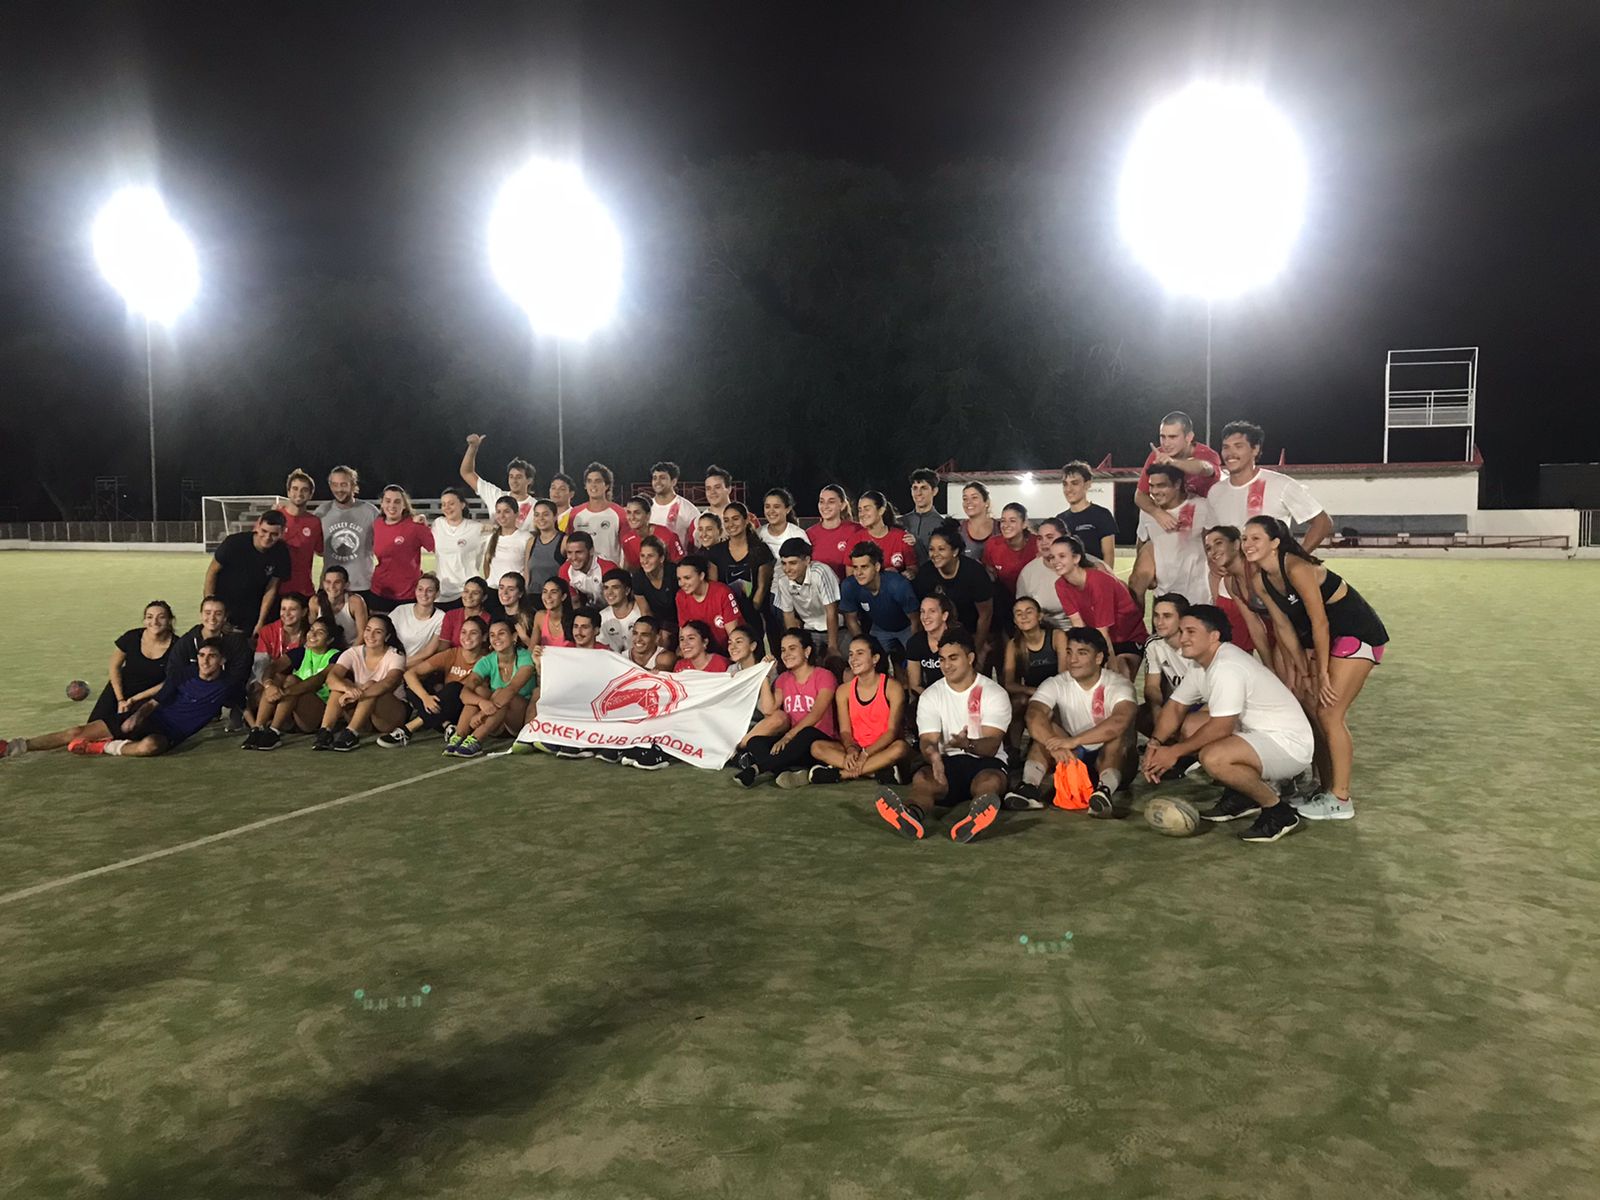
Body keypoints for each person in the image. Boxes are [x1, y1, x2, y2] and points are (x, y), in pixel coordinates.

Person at [1243, 515, 1389, 820]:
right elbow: (1283, 628)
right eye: (1245, 538)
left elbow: (1320, 622)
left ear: (1275, 543)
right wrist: (1304, 672)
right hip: (1329, 640)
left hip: (1357, 633)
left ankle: (1341, 799)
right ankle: (1326, 788)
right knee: (1312, 707)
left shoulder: (1297, 568)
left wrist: (1320, 674)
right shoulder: (1260, 580)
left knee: (1330, 713)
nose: (1247, 544)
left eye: (1256, 538)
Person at [1142, 605, 1315, 844]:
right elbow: (1175, 707)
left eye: (1191, 632)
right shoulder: (1201, 664)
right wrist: (1154, 743)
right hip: (1260, 735)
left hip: (1288, 745)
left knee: (1214, 757)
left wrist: (1174, 752)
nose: (1182, 638)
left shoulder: (1227, 667)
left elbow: (1221, 728)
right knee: (1191, 726)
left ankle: (1278, 812)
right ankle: (1243, 796)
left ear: (1214, 636)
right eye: (1181, 631)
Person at [874, 628, 1010, 843]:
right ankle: (910, 814)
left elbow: (992, 745)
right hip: (947, 761)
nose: (946, 665)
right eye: (942, 659)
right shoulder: (931, 695)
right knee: (923, 778)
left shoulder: (994, 693)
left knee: (989, 781)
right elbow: (928, 740)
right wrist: (934, 757)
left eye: (953, 658)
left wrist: (967, 744)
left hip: (985, 761)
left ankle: (975, 817)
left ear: (970, 658)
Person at [7, 639, 235, 759]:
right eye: (201, 655)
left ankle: (104, 747)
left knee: (150, 746)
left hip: (169, 733)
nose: (205, 661)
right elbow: (154, 703)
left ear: (222, 660)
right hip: (149, 718)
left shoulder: (226, 686)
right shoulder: (184, 674)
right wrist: (135, 717)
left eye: (211, 656)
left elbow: (243, 705)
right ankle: (13, 747)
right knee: (77, 731)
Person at [1013, 628, 1137, 815]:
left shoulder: (1119, 685)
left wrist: (1074, 741)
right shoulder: (1056, 683)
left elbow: (1120, 721)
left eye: (1082, 653)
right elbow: (1034, 714)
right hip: (1072, 755)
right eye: (1069, 652)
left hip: (1115, 761)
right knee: (1045, 729)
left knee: (1119, 736)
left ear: (1098, 658)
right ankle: (1029, 787)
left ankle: (1104, 791)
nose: (1072, 660)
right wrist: (1053, 744)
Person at [1127, 411, 1222, 599]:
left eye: (1172, 437)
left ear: (1189, 437)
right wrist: (1157, 513)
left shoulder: (1206, 454)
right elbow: (1140, 496)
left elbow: (1204, 468)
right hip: (1174, 525)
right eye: (1162, 436)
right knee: (1148, 582)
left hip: (1203, 526)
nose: (1166, 443)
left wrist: (1173, 462)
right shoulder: (1157, 456)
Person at [732, 629, 839, 788]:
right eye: (783, 650)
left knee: (807, 732)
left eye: (792, 648)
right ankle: (783, 772)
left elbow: (816, 714)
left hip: (818, 742)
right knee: (755, 741)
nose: (786, 654)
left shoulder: (824, 676)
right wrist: (765, 676)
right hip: (793, 745)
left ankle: (756, 769)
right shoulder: (783, 679)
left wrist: (788, 736)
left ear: (807, 651)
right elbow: (768, 710)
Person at [1208, 421, 1335, 552]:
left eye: (1238, 446)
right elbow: (1209, 532)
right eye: (1226, 447)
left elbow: (1323, 522)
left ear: (1255, 449)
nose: (1230, 453)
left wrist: (1297, 558)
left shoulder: (1280, 484)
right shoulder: (1216, 491)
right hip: (1233, 565)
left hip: (1272, 565)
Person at [809, 635, 912, 784]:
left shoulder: (892, 687)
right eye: (851, 654)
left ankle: (841, 774)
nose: (853, 659)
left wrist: (866, 753)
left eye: (860, 653)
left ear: (875, 658)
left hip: (883, 748)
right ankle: (875, 772)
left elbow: (892, 732)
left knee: (900, 748)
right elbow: (845, 731)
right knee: (817, 747)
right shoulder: (843, 691)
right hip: (857, 748)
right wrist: (851, 749)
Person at [379, 614, 489, 749]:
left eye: (473, 633)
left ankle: (408, 729)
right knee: (414, 685)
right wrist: (426, 698)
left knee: (456, 688)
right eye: (464, 632)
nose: (467, 637)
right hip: (440, 706)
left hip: (463, 710)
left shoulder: (488, 660)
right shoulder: (452, 653)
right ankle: (446, 725)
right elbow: (410, 674)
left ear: (484, 637)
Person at [1045, 536, 1148, 678]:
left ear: (1076, 558)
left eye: (1062, 556)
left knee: (1119, 674)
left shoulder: (1098, 582)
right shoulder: (1061, 585)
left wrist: (1111, 666)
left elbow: (1103, 630)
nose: (1056, 561)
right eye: (1052, 557)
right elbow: (1078, 624)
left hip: (1129, 637)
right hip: (1101, 636)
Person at [243, 616, 342, 748]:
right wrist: (269, 685)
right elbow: (273, 667)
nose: (313, 634)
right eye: (311, 630)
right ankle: (257, 729)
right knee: (277, 678)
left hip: (316, 713)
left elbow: (318, 680)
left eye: (320, 632)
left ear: (329, 640)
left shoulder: (336, 656)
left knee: (291, 680)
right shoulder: (301, 652)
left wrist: (285, 691)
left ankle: (274, 731)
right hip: (292, 710)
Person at [315, 614, 408, 751]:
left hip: (389, 714)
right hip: (362, 713)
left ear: (387, 636)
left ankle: (351, 734)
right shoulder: (352, 652)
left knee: (372, 685)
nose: (371, 635)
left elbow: (389, 683)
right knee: (341, 685)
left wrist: (359, 694)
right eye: (368, 630)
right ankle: (325, 732)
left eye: (378, 632)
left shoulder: (396, 655)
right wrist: (347, 689)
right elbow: (331, 678)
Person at [448, 618, 537, 757]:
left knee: (503, 693)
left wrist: (482, 714)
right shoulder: (486, 661)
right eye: (492, 635)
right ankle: (459, 736)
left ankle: (476, 739)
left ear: (514, 636)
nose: (496, 638)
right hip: (495, 722)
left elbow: (512, 689)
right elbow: (464, 692)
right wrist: (481, 702)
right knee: (479, 691)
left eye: (501, 633)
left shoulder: (525, 657)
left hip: (517, 720)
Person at [1131, 464, 1215, 608]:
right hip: (1163, 596)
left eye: (1161, 486)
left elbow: (1214, 545)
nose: (1154, 491)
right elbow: (1142, 542)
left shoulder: (1201, 507)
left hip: (1197, 597)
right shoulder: (1147, 511)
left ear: (1177, 484)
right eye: (1151, 486)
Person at [86, 600, 176, 730]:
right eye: (149, 617)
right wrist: (120, 699)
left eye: (161, 617)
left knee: (129, 729)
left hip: (150, 695)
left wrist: (134, 699)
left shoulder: (178, 646)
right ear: (144, 621)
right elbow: (114, 667)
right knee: (92, 728)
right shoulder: (132, 637)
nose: (154, 622)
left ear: (170, 620)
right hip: (120, 688)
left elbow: (169, 682)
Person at [912, 526, 994, 668]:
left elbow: (985, 615)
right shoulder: (925, 573)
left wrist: (977, 649)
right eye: (931, 549)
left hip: (973, 631)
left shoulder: (974, 573)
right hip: (941, 634)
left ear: (955, 551)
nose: (935, 554)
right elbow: (922, 611)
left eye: (941, 549)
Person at [205, 509, 290, 637]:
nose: (267, 537)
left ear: (282, 532)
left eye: (274, 534)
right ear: (258, 525)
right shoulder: (233, 543)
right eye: (264, 531)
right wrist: (215, 612)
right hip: (226, 609)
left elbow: (271, 588)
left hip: (253, 612)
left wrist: (261, 622)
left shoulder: (281, 551)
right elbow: (212, 573)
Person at [169, 596, 253, 724]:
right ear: (200, 615)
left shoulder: (236, 641)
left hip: (227, 688)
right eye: (207, 613)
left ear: (225, 617)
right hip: (195, 690)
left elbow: (241, 672)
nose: (212, 618)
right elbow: (173, 671)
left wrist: (217, 689)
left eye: (218, 614)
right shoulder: (187, 641)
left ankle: (241, 715)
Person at [1002, 596, 1068, 734]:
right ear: (1015, 621)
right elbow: (1009, 684)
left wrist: (1047, 694)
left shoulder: (1057, 636)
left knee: (1057, 708)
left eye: (1029, 612)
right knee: (1017, 703)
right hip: (1032, 693)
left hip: (1057, 692)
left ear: (1039, 616)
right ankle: (1014, 746)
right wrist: (1034, 691)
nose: (1024, 616)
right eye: (1019, 613)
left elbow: (1064, 676)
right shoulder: (1013, 645)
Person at [707, 502, 774, 637]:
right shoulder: (716, 552)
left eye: (735, 519)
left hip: (755, 615)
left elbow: (762, 589)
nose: (731, 524)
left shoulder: (761, 550)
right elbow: (714, 588)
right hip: (725, 615)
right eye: (726, 520)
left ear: (746, 520)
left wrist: (747, 616)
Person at [840, 542, 919, 657]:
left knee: (915, 657)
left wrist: (915, 649)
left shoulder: (897, 585)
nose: (858, 573)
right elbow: (851, 619)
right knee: (870, 659)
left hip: (906, 628)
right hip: (880, 627)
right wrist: (863, 647)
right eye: (855, 567)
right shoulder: (849, 586)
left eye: (864, 567)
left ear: (877, 567)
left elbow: (915, 620)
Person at [367, 485, 436, 615]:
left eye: (397, 502)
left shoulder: (415, 526)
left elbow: (438, 548)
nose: (392, 505)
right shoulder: (377, 524)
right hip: (380, 592)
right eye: (388, 501)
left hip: (407, 595)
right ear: (382, 504)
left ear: (404, 505)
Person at [1203, 526, 1270, 658]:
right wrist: (1268, 664)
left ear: (1236, 544)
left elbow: (1282, 621)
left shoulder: (1259, 572)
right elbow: (1253, 623)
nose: (1213, 551)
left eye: (1218, 543)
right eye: (1208, 548)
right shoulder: (1230, 581)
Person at [773, 538, 842, 661]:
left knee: (837, 663)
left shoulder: (820, 572)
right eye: (784, 563)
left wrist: (832, 646)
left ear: (807, 560)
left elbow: (832, 612)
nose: (787, 569)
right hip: (809, 631)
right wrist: (794, 645)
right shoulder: (783, 579)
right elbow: (788, 615)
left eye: (793, 563)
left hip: (838, 630)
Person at [317, 465, 379, 598]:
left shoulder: (370, 512)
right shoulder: (322, 512)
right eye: (335, 485)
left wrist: (414, 518)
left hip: (362, 586)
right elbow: (317, 548)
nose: (339, 489)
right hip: (330, 586)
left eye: (344, 484)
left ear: (353, 485)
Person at [1140, 593, 1195, 732]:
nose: (1159, 622)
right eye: (1156, 616)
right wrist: (1156, 709)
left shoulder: (1197, 644)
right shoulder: (1153, 644)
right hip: (1177, 704)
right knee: (1137, 715)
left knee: (1185, 727)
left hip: (1204, 704)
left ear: (1182, 620)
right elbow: (1152, 686)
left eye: (1167, 616)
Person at [460, 434, 538, 528]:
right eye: (511, 477)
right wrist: (473, 447)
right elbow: (467, 473)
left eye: (519, 477)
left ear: (529, 480)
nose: (514, 480)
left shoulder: (536, 507)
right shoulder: (496, 495)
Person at [431, 486, 487, 608]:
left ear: (462, 505)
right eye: (443, 504)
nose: (447, 507)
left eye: (451, 504)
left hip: (466, 594)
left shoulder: (476, 528)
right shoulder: (438, 524)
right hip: (442, 594)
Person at [674, 555, 742, 654]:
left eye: (687, 578)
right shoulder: (681, 596)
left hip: (730, 650)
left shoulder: (722, 593)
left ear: (701, 576)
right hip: (704, 652)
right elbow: (684, 632)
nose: (681, 583)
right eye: (679, 579)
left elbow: (734, 636)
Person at [1056, 461, 1118, 567]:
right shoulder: (1059, 520)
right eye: (1065, 484)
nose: (1068, 489)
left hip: (1093, 575)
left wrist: (1104, 576)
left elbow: (1108, 555)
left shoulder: (1102, 514)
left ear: (1087, 484)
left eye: (1074, 483)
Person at [1016, 518, 1073, 631]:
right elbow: (1023, 610)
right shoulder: (1028, 572)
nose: (1043, 542)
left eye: (1050, 537)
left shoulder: (1087, 565)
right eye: (1039, 538)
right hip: (1046, 633)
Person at [276, 468, 324, 600]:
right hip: (275, 590)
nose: (299, 493)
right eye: (295, 488)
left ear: (310, 494)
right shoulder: (274, 516)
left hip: (304, 590)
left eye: (304, 490)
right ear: (288, 492)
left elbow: (321, 551)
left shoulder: (314, 522)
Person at [981, 502, 1039, 607]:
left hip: (1034, 599)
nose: (1006, 525)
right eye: (1003, 521)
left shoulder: (1037, 544)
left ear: (1024, 524)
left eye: (1012, 521)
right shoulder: (993, 544)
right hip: (1004, 601)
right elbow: (990, 574)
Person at [569, 462, 628, 564]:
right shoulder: (575, 514)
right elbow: (569, 545)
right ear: (585, 486)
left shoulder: (620, 514)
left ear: (607, 485)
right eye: (589, 481)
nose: (593, 485)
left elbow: (627, 548)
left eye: (598, 481)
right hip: (581, 572)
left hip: (610, 572)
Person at [806, 485, 868, 580]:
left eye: (831, 502)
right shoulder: (810, 533)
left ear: (842, 505)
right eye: (822, 501)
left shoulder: (855, 529)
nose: (825, 506)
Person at [252, 591, 309, 693]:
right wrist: (268, 685)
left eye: (293, 609)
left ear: (304, 612)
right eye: (283, 609)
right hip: (267, 680)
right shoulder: (267, 631)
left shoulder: (310, 634)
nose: (286, 614)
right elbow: (260, 666)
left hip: (297, 683)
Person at [905, 595, 956, 700]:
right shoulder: (915, 643)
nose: (925, 616)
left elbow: (964, 679)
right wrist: (933, 702)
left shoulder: (958, 641)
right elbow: (915, 685)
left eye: (932, 611)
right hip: (930, 697)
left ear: (944, 616)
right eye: (922, 611)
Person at [856, 490, 918, 574]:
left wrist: (903, 575)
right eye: (860, 510)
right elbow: (851, 575)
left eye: (867, 509)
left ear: (881, 510)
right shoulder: (856, 538)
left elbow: (912, 568)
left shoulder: (901, 537)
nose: (862, 514)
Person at [389, 573, 445, 665]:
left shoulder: (441, 618)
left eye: (429, 590)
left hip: (415, 664)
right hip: (392, 659)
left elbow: (428, 651)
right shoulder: (401, 610)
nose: (424, 594)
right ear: (415, 591)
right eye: (420, 589)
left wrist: (402, 663)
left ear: (437, 594)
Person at [631, 537, 678, 642]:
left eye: (650, 556)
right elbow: (645, 612)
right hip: (659, 624)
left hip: (680, 620)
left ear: (661, 558)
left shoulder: (674, 573)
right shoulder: (638, 578)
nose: (645, 561)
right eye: (642, 556)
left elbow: (685, 606)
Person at [482, 496, 535, 589]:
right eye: (498, 512)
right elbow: (486, 566)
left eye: (506, 512)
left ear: (516, 514)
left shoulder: (526, 538)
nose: (502, 516)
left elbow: (528, 570)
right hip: (493, 589)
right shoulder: (490, 538)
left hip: (514, 591)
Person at [311, 564, 368, 648]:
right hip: (324, 649)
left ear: (346, 584)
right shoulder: (315, 601)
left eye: (337, 582)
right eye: (328, 582)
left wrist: (348, 653)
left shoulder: (355, 602)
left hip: (350, 648)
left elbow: (362, 634)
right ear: (323, 584)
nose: (332, 586)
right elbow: (312, 629)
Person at [558, 530, 618, 608]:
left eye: (579, 552)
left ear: (591, 551)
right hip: (588, 610)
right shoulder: (565, 570)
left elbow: (619, 601)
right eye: (569, 552)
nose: (573, 558)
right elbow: (575, 602)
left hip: (612, 607)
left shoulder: (608, 568)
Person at [621, 495, 685, 567]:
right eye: (629, 513)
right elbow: (629, 568)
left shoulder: (667, 535)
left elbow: (681, 564)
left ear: (648, 515)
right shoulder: (627, 540)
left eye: (637, 513)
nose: (632, 517)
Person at [648, 461, 700, 548]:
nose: (657, 482)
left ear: (673, 481)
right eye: (655, 478)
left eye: (662, 478)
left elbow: (698, 540)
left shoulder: (688, 509)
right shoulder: (646, 507)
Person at [902, 468, 945, 562]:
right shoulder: (901, 522)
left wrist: (917, 544)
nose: (918, 493)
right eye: (915, 488)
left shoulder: (943, 525)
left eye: (924, 488)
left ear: (934, 491)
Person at [599, 569, 647, 653]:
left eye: (615, 587)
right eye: (606, 588)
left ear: (627, 590)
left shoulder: (641, 612)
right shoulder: (601, 616)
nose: (609, 592)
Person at [524, 499, 566, 594]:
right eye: (537, 515)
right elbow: (527, 574)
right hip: (533, 596)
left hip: (554, 597)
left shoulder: (564, 541)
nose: (541, 518)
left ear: (555, 516)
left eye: (545, 514)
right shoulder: (531, 542)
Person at [527, 577, 575, 656]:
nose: (548, 596)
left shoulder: (574, 620)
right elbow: (531, 649)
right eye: (545, 592)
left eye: (553, 592)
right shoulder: (540, 616)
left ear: (563, 596)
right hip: (544, 662)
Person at [440, 576, 493, 646]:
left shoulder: (489, 619)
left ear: (484, 597)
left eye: (475, 593)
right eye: (466, 591)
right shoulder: (451, 615)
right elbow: (443, 644)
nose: (469, 596)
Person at [492, 572, 537, 646]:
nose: (505, 592)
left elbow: (538, 649)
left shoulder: (532, 616)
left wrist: (524, 638)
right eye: (501, 588)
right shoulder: (496, 614)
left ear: (520, 593)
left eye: (511, 589)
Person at [757, 487, 803, 557]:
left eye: (776, 507)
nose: (771, 511)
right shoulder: (758, 534)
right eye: (767, 507)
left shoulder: (798, 534)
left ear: (788, 509)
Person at [957, 482, 997, 561]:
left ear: (986, 502)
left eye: (974, 497)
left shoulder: (1001, 528)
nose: (968, 502)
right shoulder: (958, 529)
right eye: (965, 499)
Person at [701, 465, 736, 534]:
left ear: (729, 489)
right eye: (708, 488)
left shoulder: (746, 518)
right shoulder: (697, 522)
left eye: (717, 487)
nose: (712, 492)